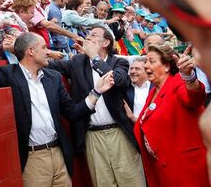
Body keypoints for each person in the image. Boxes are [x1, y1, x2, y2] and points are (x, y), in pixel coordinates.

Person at [0, 30, 116, 186]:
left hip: (59, 155)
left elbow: (72, 113)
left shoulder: (52, 78)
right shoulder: (9, 74)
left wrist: (97, 92)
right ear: (31, 51)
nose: (48, 52)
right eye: (44, 47)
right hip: (33, 159)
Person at [48, 26, 146, 186]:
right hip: (92, 135)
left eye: (93, 35)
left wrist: (95, 58)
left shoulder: (118, 61)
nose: (87, 37)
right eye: (88, 33)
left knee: (132, 180)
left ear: (106, 42)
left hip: (118, 132)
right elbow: (49, 66)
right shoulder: (77, 62)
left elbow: (117, 80)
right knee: (103, 183)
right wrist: (47, 53)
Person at [134, 44, 209, 186]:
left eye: (151, 61)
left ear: (167, 66)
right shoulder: (152, 93)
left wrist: (188, 76)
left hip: (186, 170)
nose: (146, 66)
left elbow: (195, 97)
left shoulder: (178, 82)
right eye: (145, 61)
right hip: (163, 169)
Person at [124, 57, 151, 123]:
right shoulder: (125, 88)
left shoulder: (155, 88)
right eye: (131, 68)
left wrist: (132, 117)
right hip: (131, 131)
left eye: (137, 69)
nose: (132, 71)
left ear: (146, 70)